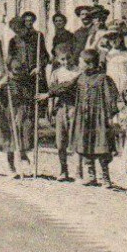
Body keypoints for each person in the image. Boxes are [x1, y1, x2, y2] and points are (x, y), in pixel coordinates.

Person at [0, 12, 46, 177]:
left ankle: (28, 159)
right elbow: (8, 61)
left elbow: (44, 56)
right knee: (13, 125)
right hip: (15, 83)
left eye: (20, 28)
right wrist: (9, 73)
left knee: (28, 124)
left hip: (30, 81)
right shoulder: (13, 41)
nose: (19, 32)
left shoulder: (38, 37)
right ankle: (12, 164)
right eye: (15, 30)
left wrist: (40, 66)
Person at [71, 47, 120, 187]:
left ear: (90, 64)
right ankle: (91, 175)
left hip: (99, 118)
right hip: (84, 118)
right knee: (85, 144)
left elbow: (111, 97)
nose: (79, 65)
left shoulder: (102, 79)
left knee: (101, 147)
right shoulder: (80, 78)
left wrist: (110, 115)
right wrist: (49, 93)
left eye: (81, 62)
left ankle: (105, 177)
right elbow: (66, 87)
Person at [48, 39, 82, 182]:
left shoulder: (78, 72)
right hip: (61, 108)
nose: (66, 61)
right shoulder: (56, 73)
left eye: (68, 58)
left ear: (73, 56)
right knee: (60, 141)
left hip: (75, 107)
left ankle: (79, 171)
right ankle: (63, 170)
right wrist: (50, 110)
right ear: (57, 59)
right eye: (62, 59)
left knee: (76, 139)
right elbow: (51, 93)